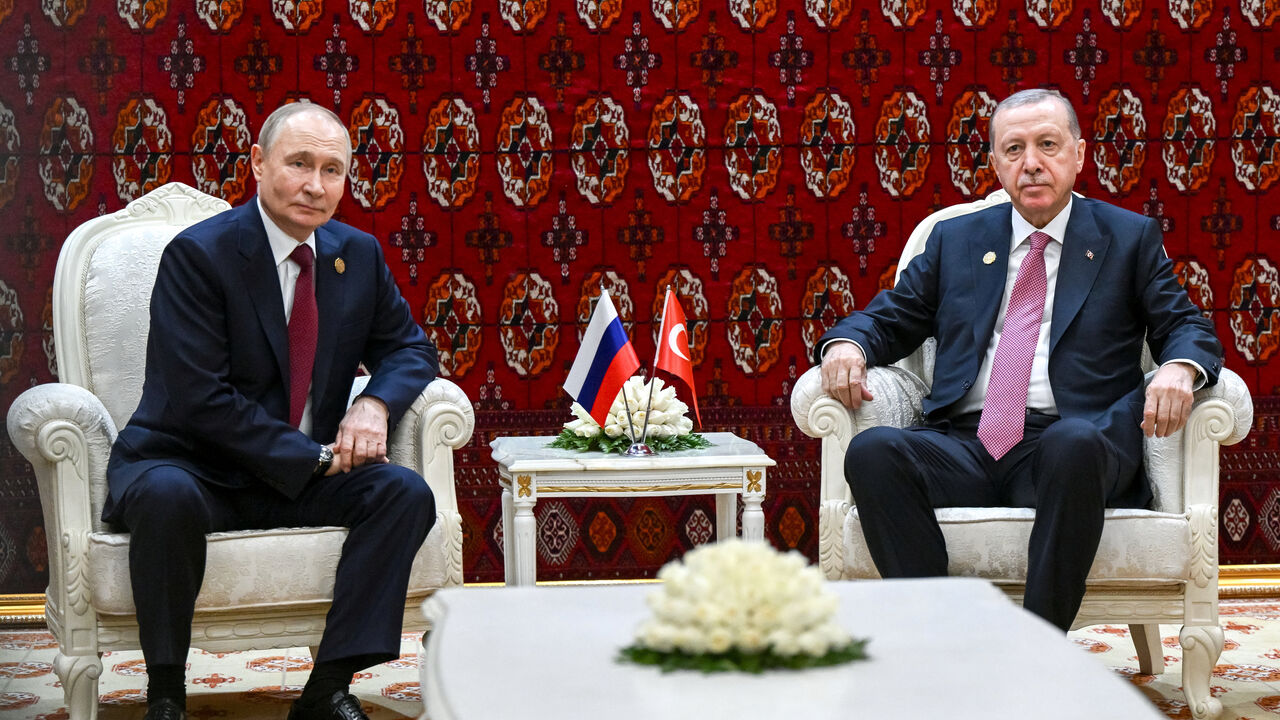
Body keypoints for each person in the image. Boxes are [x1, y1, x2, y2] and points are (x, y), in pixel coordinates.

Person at [816, 88, 1223, 631]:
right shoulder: (955, 240)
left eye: (1047, 145)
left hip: (1073, 449)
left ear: (1078, 154)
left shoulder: (1127, 238)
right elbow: (890, 318)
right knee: (872, 451)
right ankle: (942, 638)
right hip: (968, 444)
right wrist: (848, 345)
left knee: (1072, 443)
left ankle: (1037, 648)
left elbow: (1187, 325)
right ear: (995, 164)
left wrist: (1179, 368)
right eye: (1014, 149)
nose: (1031, 163)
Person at [103, 102, 439, 720]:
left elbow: (410, 349)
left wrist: (373, 403)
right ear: (258, 163)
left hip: (302, 475)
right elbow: (201, 399)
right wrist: (313, 458)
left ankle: (327, 688)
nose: (315, 185)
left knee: (403, 493)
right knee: (165, 496)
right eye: (299, 164)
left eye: (332, 170)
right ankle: (166, 695)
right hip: (194, 466)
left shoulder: (357, 255)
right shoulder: (200, 255)